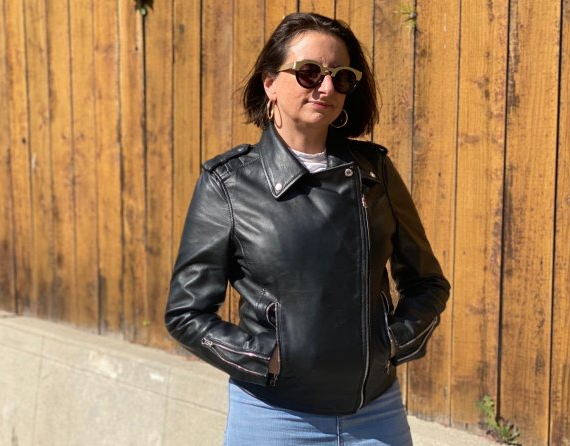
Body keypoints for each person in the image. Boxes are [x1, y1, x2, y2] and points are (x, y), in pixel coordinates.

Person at [164, 12, 450, 446]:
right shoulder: (229, 184)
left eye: (342, 77)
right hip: (273, 417)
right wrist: (267, 359)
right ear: (269, 84)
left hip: (375, 413)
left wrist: (389, 345)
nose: (327, 87)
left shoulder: (375, 173)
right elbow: (185, 312)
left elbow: (427, 282)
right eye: (309, 72)